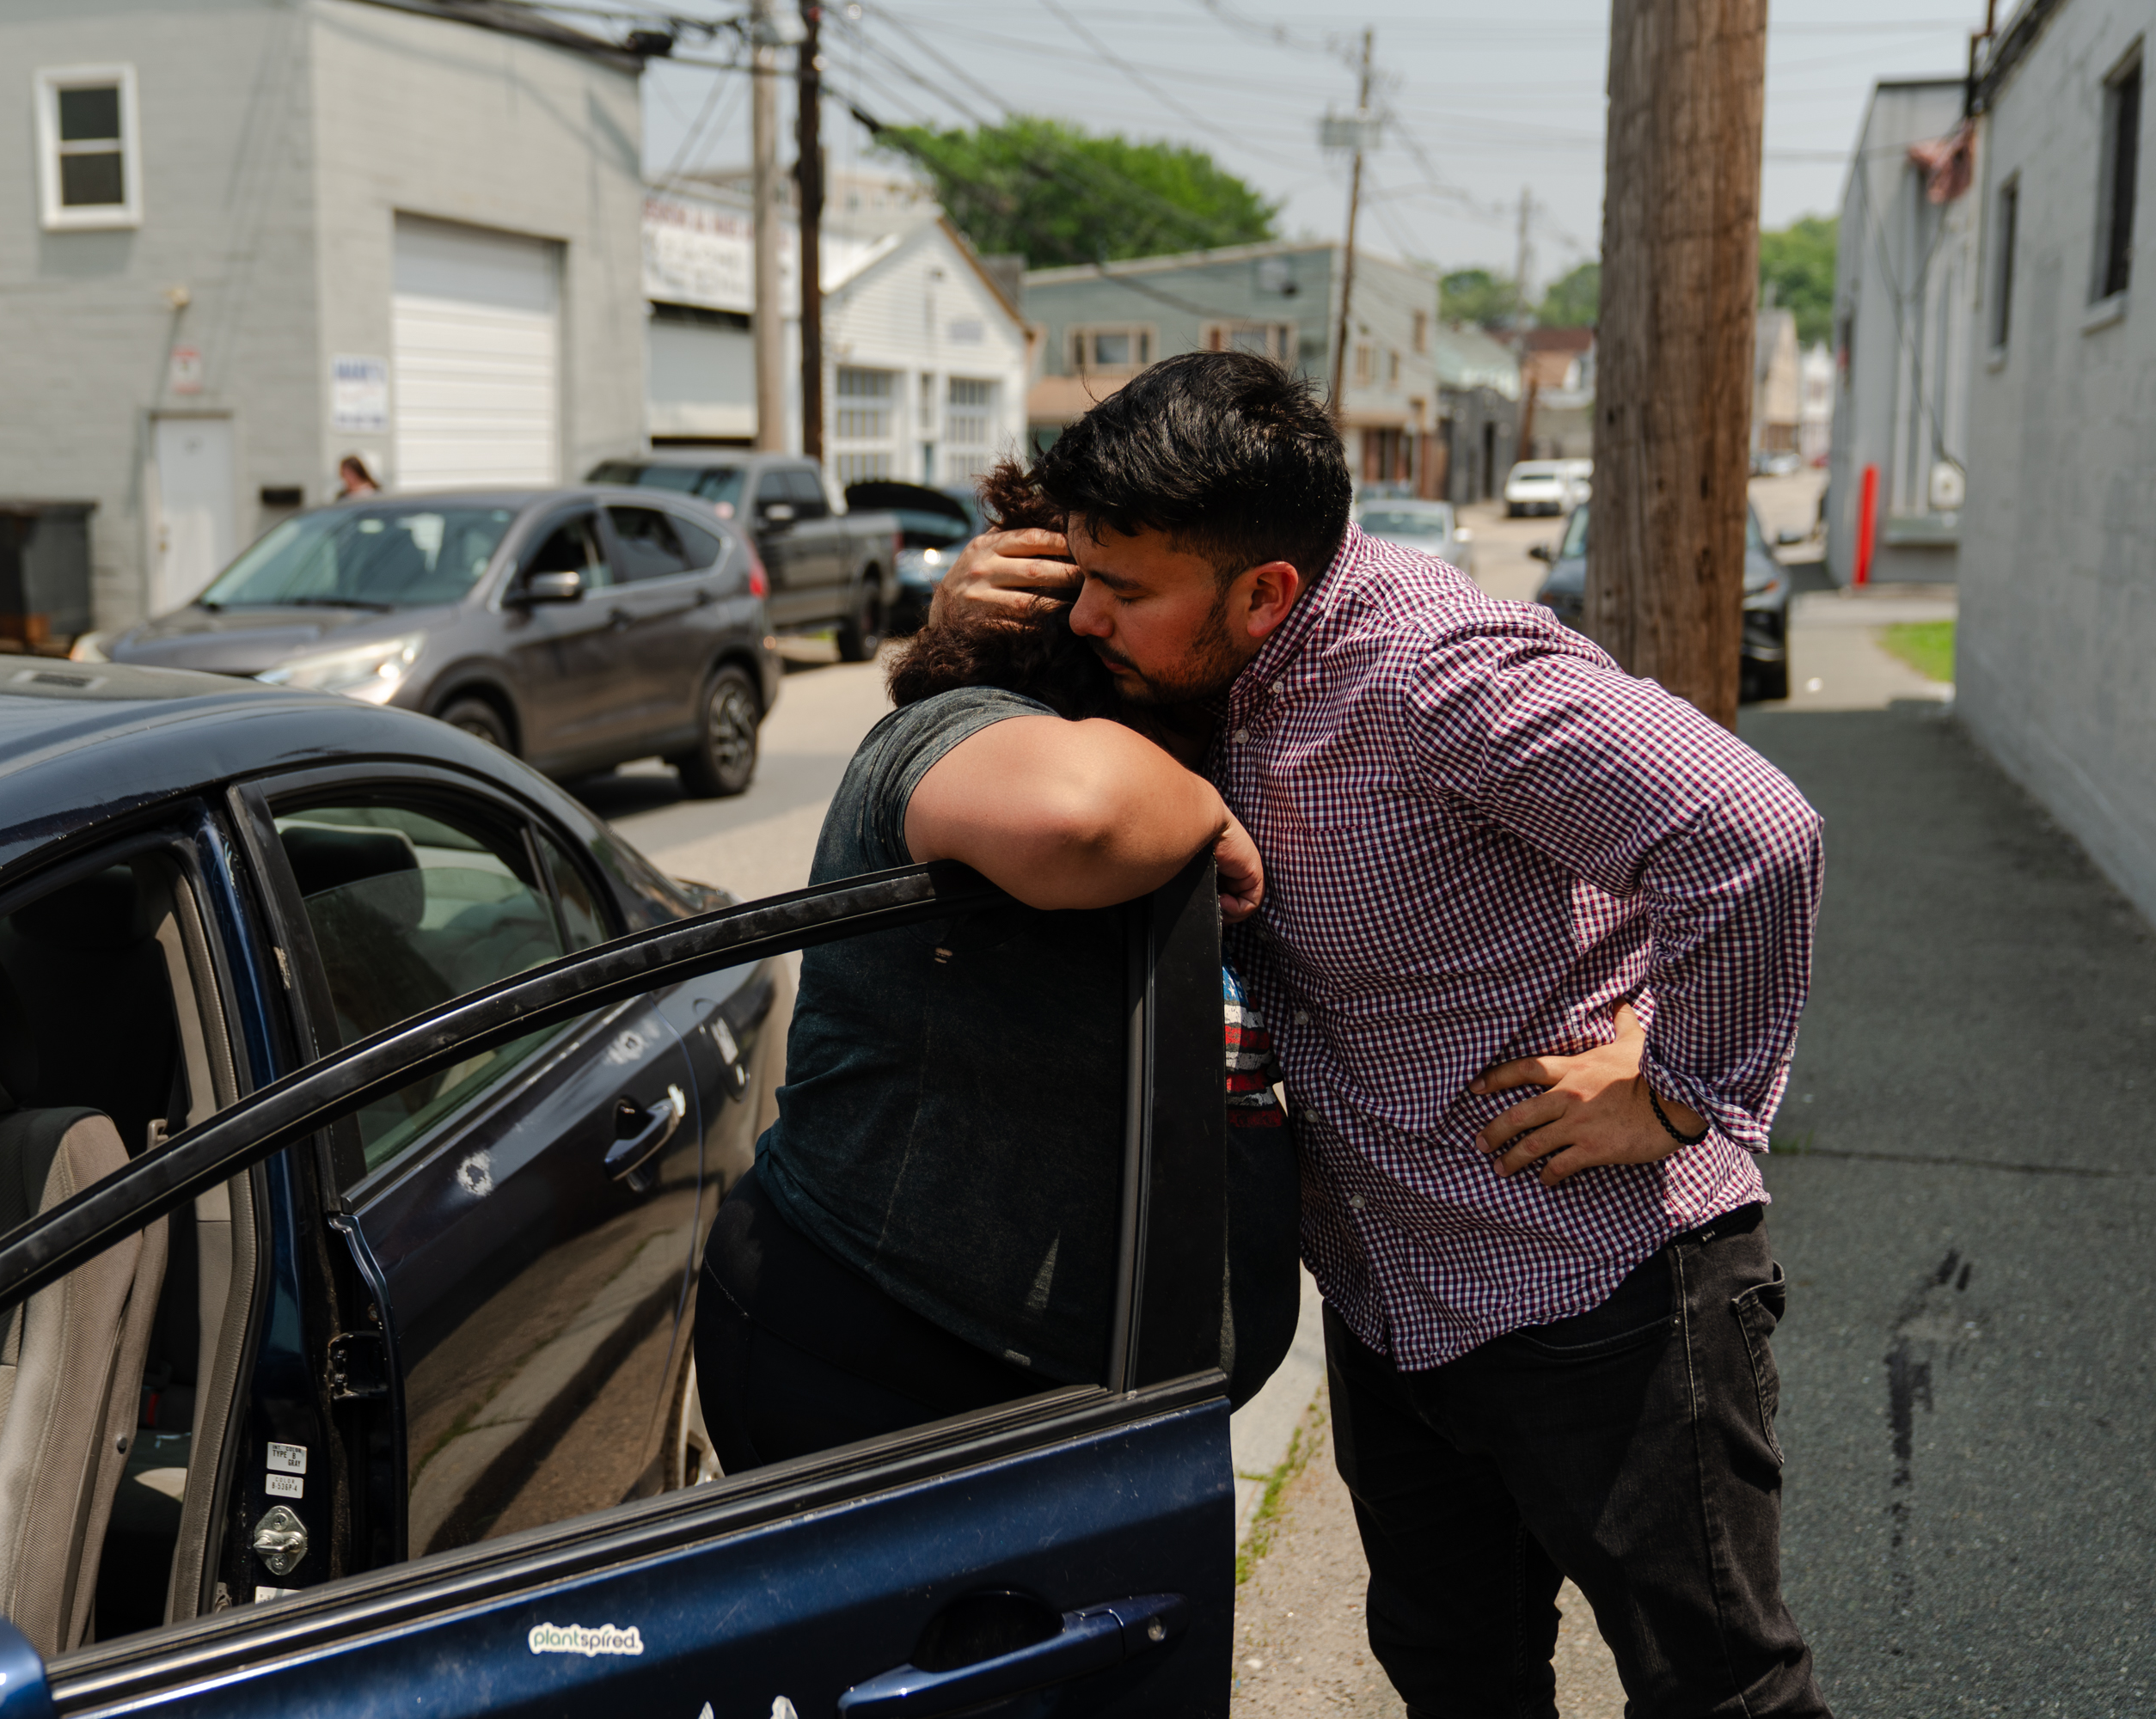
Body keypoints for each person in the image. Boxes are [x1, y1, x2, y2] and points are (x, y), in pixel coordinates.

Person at [935, 352, 1829, 1717]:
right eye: (1081, 579)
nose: (1091, 616)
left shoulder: (1436, 673)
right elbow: (999, 766)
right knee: (1454, 1669)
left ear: (1264, 591)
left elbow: (1748, 833)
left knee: (1716, 1686)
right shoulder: (1201, 659)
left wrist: (1679, 1088)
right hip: (1391, 1296)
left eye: (1120, 592)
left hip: (1592, 1282)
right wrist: (959, 624)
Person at [693, 463, 1302, 1473]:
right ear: (1078, 626)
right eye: (1103, 590)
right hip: (887, 1364)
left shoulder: (1213, 745)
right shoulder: (962, 729)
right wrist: (1208, 812)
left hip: (1088, 1409)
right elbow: (1075, 814)